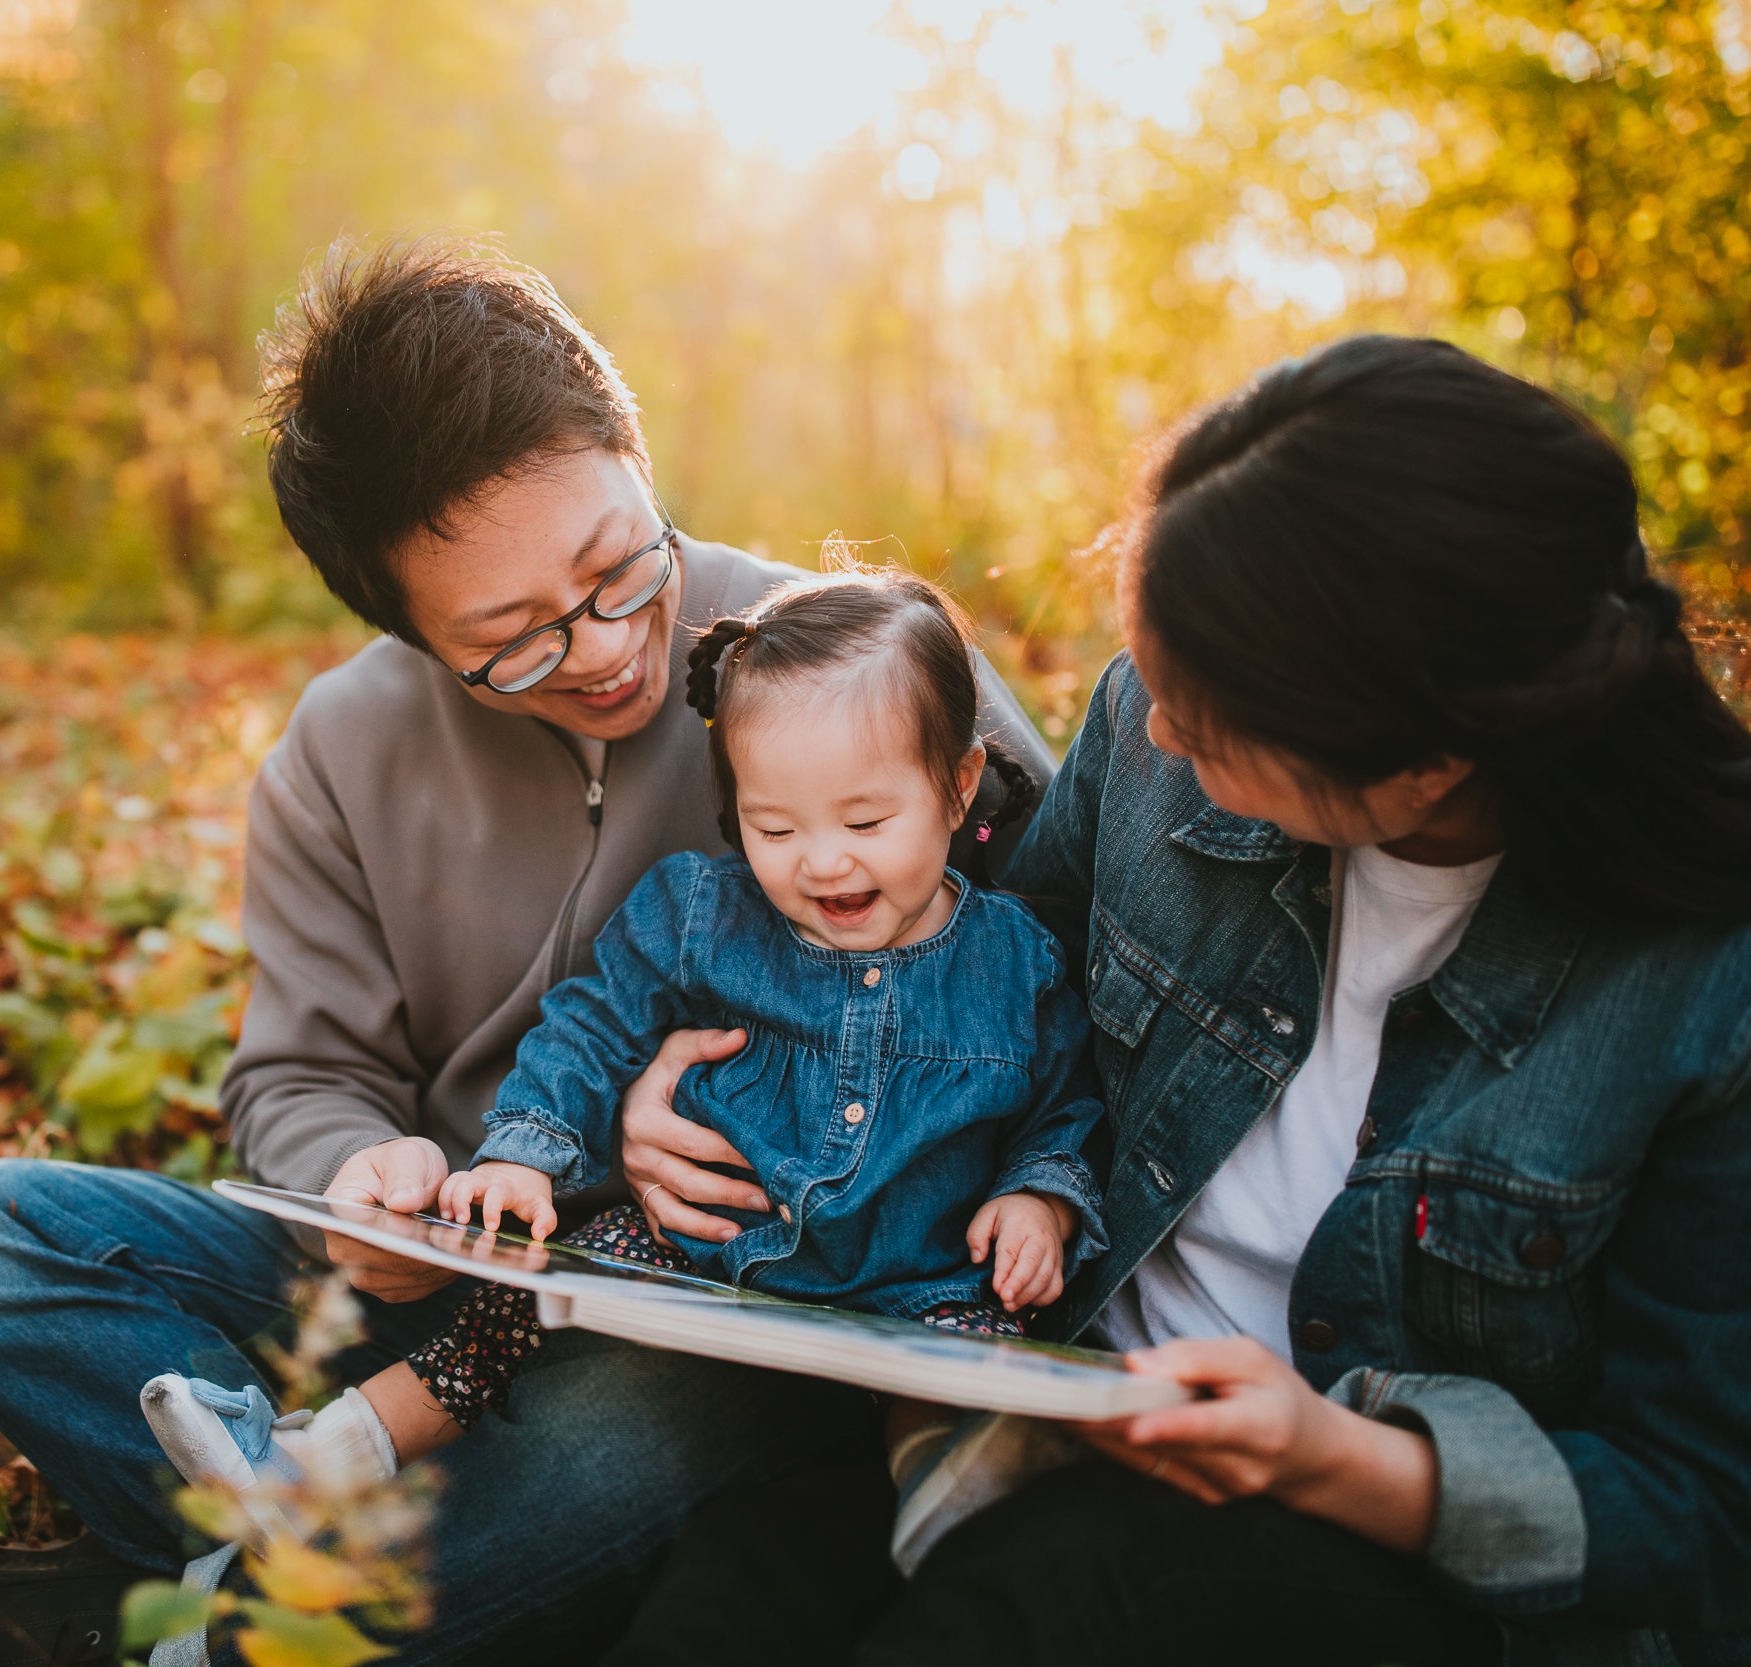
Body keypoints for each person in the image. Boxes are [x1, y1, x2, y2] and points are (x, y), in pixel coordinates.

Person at [0, 239, 1051, 1667]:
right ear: (404, 628)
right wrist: (357, 1186)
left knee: (631, 1442)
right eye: (509, 639)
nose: (600, 650)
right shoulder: (344, 748)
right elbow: (301, 1071)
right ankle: (359, 1559)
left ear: (631, 449)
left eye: (615, 564)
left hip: (726, 1310)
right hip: (448, 1291)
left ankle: (210, 1622)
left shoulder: (860, 667)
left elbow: (1061, 971)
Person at [602, 334, 1751, 1667]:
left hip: (1385, 1547)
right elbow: (971, 1003)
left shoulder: (1700, 983)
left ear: (1430, 757)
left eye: (1209, 718)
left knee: (1034, 1603)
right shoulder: (1152, 734)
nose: (1153, 735)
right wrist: (703, 1094)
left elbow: (1700, 1509)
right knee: (733, 1597)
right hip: (1053, 1391)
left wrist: (1339, 1454)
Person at [139, 569, 1099, 1505]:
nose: (822, 860)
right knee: (520, 1300)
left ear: (961, 783)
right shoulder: (700, 915)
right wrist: (523, 1156)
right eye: (772, 827)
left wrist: (1039, 1195)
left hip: (923, 1280)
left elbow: (1063, 1100)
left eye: (867, 818)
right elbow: (588, 1032)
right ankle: (329, 1457)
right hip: (707, 1250)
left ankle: (942, 1509)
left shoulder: (1017, 962)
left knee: (990, 1370)